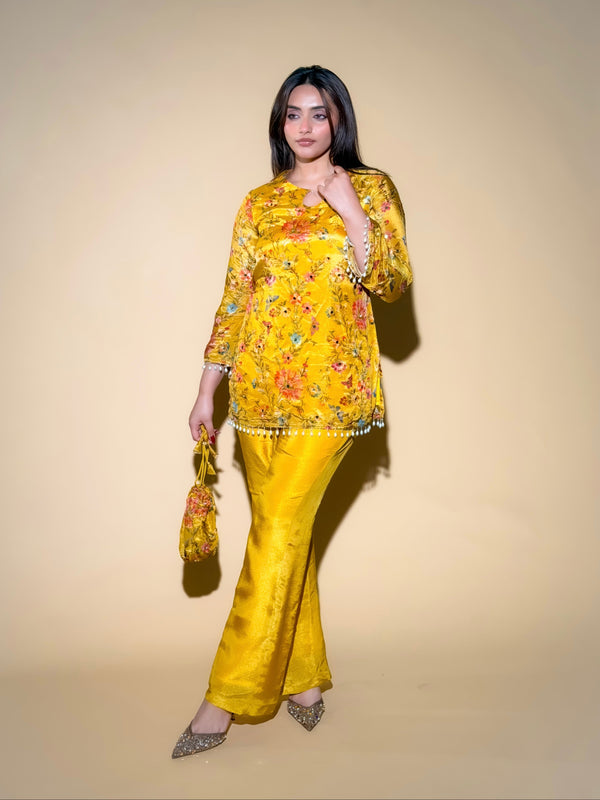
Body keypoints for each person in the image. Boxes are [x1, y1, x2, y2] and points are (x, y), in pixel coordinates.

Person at [172, 65, 413, 758]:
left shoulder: (370, 188)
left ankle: (226, 696)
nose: (305, 126)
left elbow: (393, 284)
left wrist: (352, 213)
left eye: (319, 113)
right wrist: (207, 389)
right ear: (281, 123)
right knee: (286, 537)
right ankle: (303, 681)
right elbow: (234, 299)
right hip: (257, 398)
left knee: (275, 534)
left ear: (339, 121)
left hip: (332, 394)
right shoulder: (259, 205)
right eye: (293, 114)